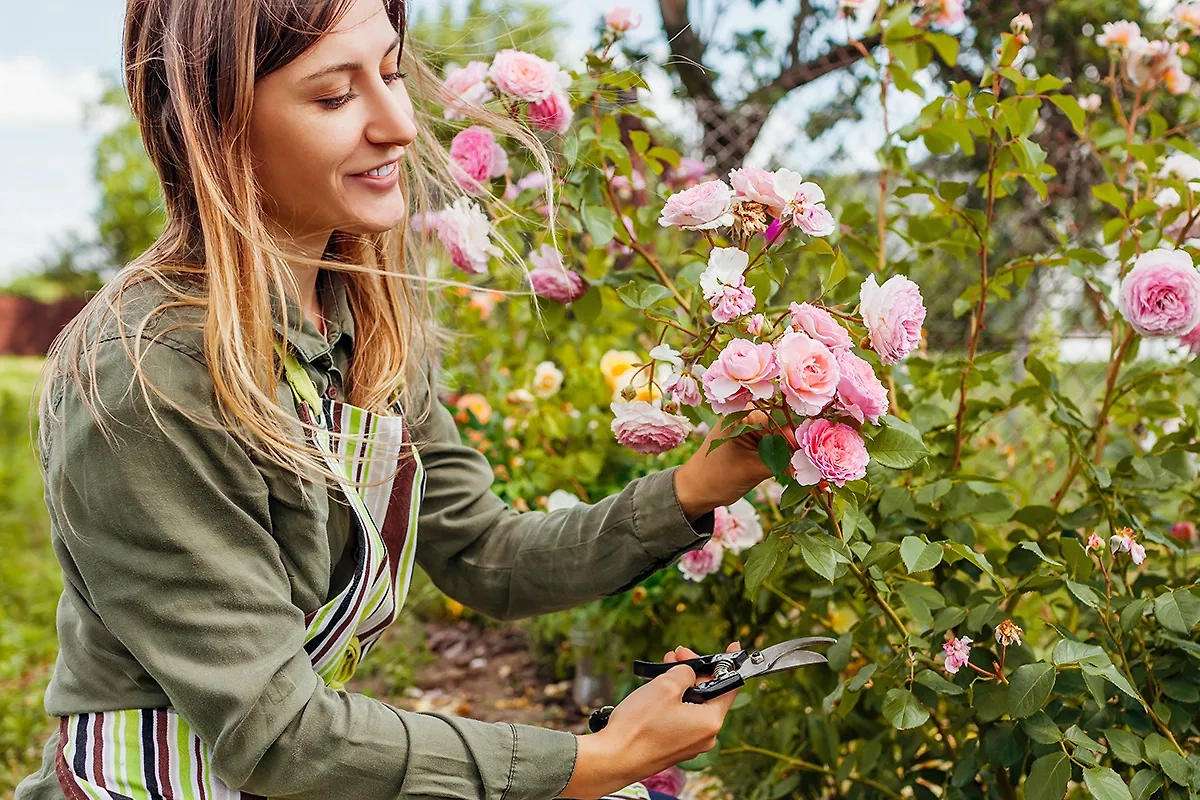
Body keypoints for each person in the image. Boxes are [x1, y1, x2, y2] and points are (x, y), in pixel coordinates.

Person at [14, 0, 776, 798]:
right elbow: (278, 737)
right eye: (335, 96)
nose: (399, 125)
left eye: (388, 72)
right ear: (218, 126)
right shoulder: (150, 375)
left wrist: (703, 484)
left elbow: (484, 553)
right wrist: (593, 764)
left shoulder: (357, 327)